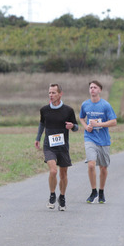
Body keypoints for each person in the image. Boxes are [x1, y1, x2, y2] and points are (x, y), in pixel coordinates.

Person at [34, 83, 79, 211]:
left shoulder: (68, 110)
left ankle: (62, 197)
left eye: (53, 92)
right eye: (49, 92)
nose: (51, 95)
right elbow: (42, 124)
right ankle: (52, 194)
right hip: (49, 146)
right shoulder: (44, 110)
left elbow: (76, 127)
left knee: (63, 174)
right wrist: (38, 138)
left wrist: (72, 126)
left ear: (60, 94)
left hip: (63, 147)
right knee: (53, 171)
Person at [79, 80, 117, 204]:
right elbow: (81, 118)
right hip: (90, 138)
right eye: (91, 87)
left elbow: (114, 122)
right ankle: (93, 191)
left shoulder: (105, 105)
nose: (92, 89)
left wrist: (99, 124)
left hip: (104, 140)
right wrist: (86, 126)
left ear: (100, 90)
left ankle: (101, 191)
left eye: (95, 87)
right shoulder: (85, 104)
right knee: (91, 164)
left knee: (103, 168)